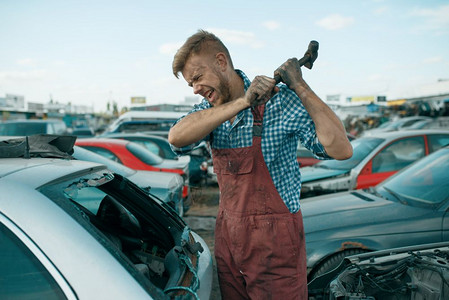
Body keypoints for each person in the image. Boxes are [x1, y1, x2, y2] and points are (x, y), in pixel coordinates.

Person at [168, 30, 352, 299]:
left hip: (275, 247)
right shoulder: (209, 113)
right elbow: (176, 139)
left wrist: (300, 86)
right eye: (190, 84)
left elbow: (341, 148)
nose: (195, 88)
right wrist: (243, 102)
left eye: (197, 77)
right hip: (229, 242)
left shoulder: (281, 101)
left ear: (221, 62)